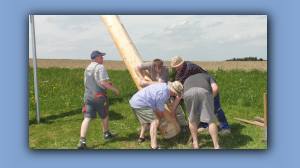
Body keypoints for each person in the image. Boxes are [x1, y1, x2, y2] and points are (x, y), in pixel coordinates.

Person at [170, 56, 231, 136]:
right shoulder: (181, 70)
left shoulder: (189, 68)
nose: (176, 68)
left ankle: (225, 128)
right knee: (199, 107)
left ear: (181, 63)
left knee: (216, 108)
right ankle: (204, 125)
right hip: (198, 87)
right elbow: (176, 81)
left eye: (177, 66)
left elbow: (179, 82)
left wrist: (209, 99)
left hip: (208, 85)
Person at [77, 50, 120, 149]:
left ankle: (82, 141)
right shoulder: (100, 67)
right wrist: (115, 89)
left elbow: (92, 82)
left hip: (87, 96)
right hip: (99, 96)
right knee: (105, 114)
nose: (103, 58)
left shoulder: (88, 68)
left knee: (87, 117)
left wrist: (106, 84)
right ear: (96, 58)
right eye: (101, 57)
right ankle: (106, 134)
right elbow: (103, 83)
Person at [134, 59, 189, 132]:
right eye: (158, 69)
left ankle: (184, 125)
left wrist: (146, 83)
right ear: (153, 67)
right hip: (157, 93)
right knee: (152, 108)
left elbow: (160, 84)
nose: (160, 70)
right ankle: (151, 125)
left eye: (161, 68)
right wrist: (141, 78)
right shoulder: (150, 65)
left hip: (169, 91)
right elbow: (136, 67)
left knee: (175, 107)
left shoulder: (165, 68)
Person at [129, 81, 183, 149]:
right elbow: (159, 111)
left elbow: (159, 98)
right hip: (141, 104)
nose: (175, 95)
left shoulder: (164, 86)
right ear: (171, 89)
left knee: (146, 119)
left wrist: (168, 102)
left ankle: (141, 137)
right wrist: (163, 119)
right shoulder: (162, 95)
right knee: (154, 122)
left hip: (135, 101)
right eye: (175, 93)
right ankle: (154, 147)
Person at [181, 73, 225, 149]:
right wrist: (210, 99)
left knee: (192, 119)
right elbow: (215, 88)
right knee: (210, 120)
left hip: (188, 93)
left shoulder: (187, 78)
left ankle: (196, 144)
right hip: (204, 92)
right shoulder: (207, 76)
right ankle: (216, 146)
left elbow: (182, 93)